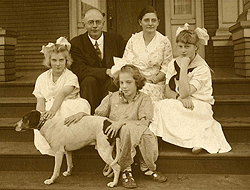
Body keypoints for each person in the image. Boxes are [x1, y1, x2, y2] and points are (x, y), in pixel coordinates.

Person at [65, 64, 167, 188]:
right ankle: (126, 170)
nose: (124, 86)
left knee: (140, 131)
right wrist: (83, 115)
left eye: (128, 82)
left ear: (137, 82)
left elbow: (144, 122)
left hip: (137, 132)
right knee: (124, 130)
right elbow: (98, 116)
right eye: (121, 82)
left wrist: (121, 122)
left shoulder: (144, 99)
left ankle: (146, 167)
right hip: (116, 138)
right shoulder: (112, 98)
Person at [149, 23, 231, 154]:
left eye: (187, 47)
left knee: (190, 112)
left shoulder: (202, 68)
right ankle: (176, 140)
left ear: (196, 48)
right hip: (180, 99)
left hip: (199, 103)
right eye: (180, 46)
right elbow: (168, 90)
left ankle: (197, 140)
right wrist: (179, 98)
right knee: (160, 106)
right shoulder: (173, 63)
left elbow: (185, 91)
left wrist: (183, 68)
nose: (183, 51)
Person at [33, 37, 91, 156]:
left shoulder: (71, 76)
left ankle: (69, 144)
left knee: (63, 109)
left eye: (61, 60)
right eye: (54, 60)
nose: (58, 64)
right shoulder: (41, 78)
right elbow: (40, 100)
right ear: (49, 61)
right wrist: (40, 115)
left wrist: (53, 111)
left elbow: (62, 93)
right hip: (50, 107)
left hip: (70, 104)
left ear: (66, 61)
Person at [70, 8, 126, 114]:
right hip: (89, 86)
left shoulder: (116, 40)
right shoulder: (76, 43)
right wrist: (105, 71)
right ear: (84, 25)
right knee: (88, 81)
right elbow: (79, 69)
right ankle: (89, 119)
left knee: (114, 83)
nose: (94, 26)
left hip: (110, 82)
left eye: (98, 22)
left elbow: (123, 61)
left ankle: (111, 118)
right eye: (90, 22)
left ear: (103, 23)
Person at [115, 6, 172, 102]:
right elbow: (126, 63)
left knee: (144, 92)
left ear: (158, 22)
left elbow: (167, 67)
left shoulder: (164, 42)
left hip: (155, 83)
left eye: (153, 20)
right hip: (134, 81)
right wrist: (137, 80)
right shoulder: (133, 40)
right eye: (146, 20)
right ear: (140, 22)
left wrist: (154, 80)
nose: (150, 23)